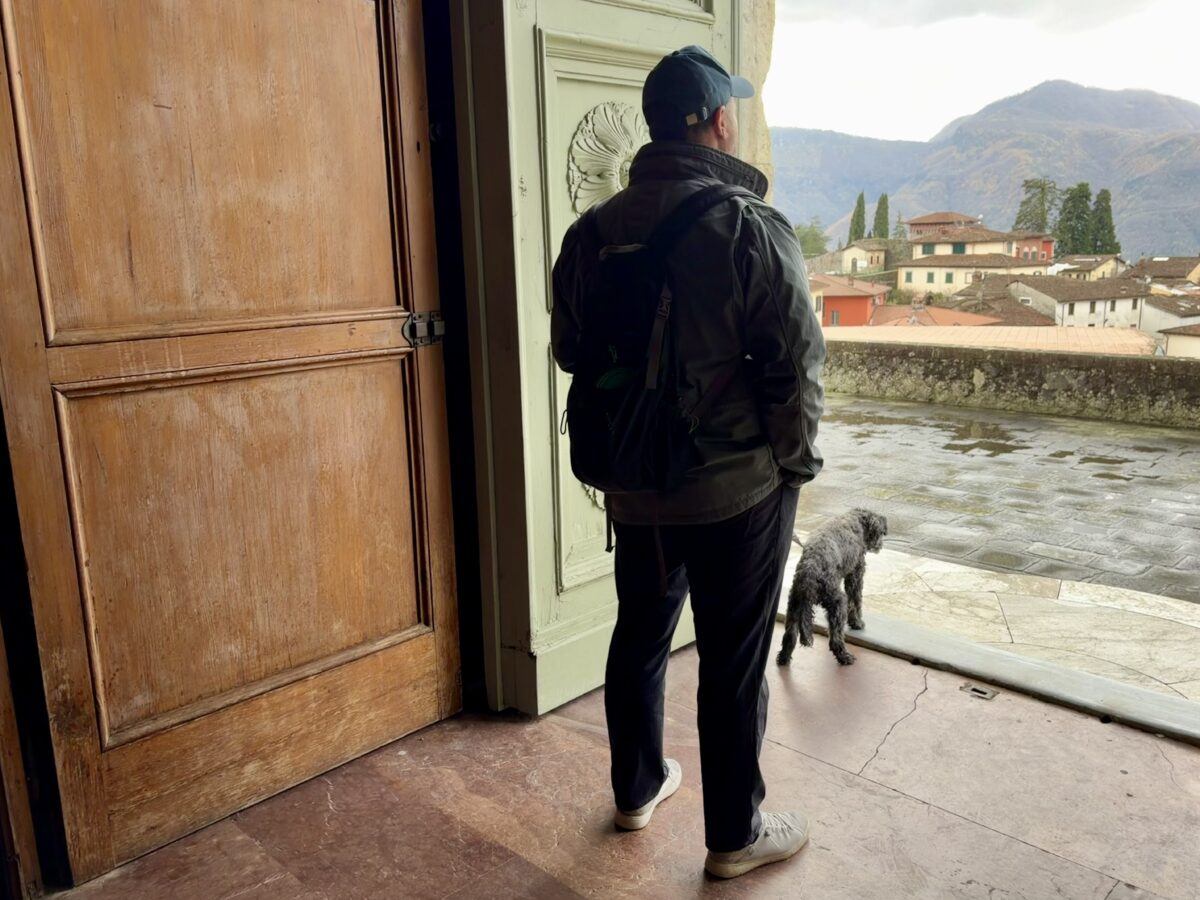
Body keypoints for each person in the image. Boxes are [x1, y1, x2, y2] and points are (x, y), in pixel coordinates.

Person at [551, 45, 825, 880]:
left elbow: (569, 352)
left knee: (639, 633)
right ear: (718, 123)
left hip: (634, 484)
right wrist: (794, 466)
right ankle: (734, 838)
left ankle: (637, 790)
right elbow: (793, 367)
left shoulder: (591, 233)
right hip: (736, 487)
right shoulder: (747, 227)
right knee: (732, 659)